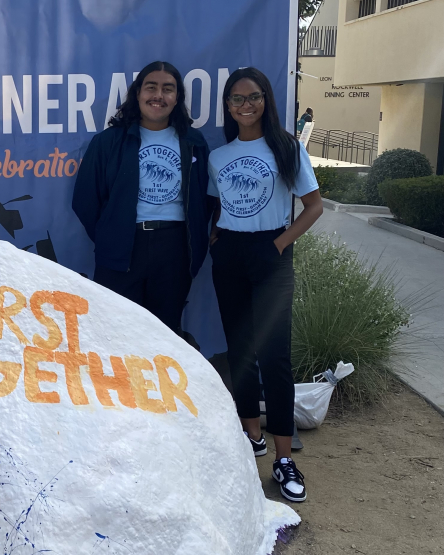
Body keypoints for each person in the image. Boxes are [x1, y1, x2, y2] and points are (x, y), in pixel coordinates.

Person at [208, 67, 323, 505]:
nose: (245, 105)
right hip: (231, 256)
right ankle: (251, 435)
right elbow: (219, 205)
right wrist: (220, 238)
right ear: (229, 107)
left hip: (272, 254)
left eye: (252, 97)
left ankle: (283, 457)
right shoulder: (220, 156)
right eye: (236, 99)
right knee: (240, 349)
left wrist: (277, 245)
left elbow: (313, 208)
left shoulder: (287, 148)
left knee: (274, 357)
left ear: (266, 99)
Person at [71, 61, 211, 334]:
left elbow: (205, 200)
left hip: (175, 249)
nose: (158, 95)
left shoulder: (194, 142)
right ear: (138, 94)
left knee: (165, 334)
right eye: (151, 87)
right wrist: (111, 234)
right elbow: (85, 200)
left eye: (168, 89)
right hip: (122, 249)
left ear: (177, 98)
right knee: (116, 334)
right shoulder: (108, 142)